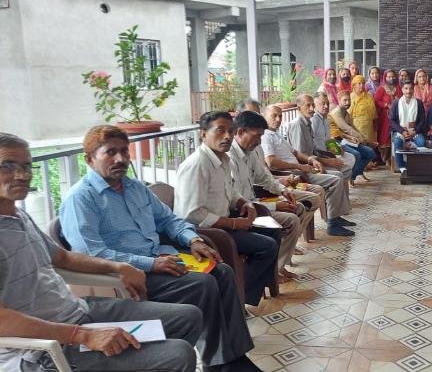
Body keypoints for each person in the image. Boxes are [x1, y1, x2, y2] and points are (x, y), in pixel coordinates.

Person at [59, 126, 258, 372]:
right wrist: (151, 264)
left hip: (161, 259)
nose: (120, 159)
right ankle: (220, 363)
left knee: (222, 272)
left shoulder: (134, 187)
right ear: (90, 159)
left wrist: (192, 240)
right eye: (110, 152)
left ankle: (229, 359)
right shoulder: (81, 198)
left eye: (124, 151)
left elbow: (168, 220)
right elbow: (90, 253)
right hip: (128, 275)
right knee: (203, 284)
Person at [0, 132, 202, 372]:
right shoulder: (81, 196)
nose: (22, 175)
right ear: (90, 159)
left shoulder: (18, 215)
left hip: (77, 310)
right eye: (7, 166)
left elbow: (62, 257)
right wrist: (82, 335)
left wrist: (120, 267)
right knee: (178, 354)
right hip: (40, 348)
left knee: (188, 317)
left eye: (26, 166)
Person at [174, 111, 279, 307]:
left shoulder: (223, 160)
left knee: (273, 231)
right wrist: (233, 223)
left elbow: (230, 193)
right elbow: (191, 214)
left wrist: (244, 203)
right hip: (205, 232)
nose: (228, 136)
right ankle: (238, 299)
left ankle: (246, 291)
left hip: (224, 222)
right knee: (266, 246)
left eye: (231, 131)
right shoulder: (197, 165)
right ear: (203, 134)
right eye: (220, 130)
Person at [228, 113, 306, 284]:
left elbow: (264, 177)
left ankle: (279, 266)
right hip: (242, 212)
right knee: (291, 220)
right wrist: (275, 207)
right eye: (256, 136)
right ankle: (273, 271)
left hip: (255, 203)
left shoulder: (250, 151)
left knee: (298, 207)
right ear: (240, 132)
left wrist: (283, 191)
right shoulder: (229, 158)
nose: (259, 142)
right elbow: (235, 201)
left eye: (261, 137)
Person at [261, 105, 355, 237]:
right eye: (274, 116)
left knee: (339, 174)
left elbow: (296, 152)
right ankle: (332, 223)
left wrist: (310, 159)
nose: (278, 119)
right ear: (264, 117)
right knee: (336, 180)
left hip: (301, 169)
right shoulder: (265, 136)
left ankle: (335, 217)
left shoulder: (276, 134)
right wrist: (300, 167)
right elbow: (271, 162)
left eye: (280, 116)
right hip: (294, 175)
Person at [288, 94, 354, 183]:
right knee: (338, 175)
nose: (312, 109)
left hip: (317, 158)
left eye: (313, 105)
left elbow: (317, 147)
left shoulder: (308, 122)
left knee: (346, 169)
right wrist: (325, 161)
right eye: (308, 105)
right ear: (299, 108)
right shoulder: (298, 125)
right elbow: (300, 156)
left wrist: (331, 154)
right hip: (306, 166)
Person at [314, 93, 375, 186]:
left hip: (339, 143)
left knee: (370, 152)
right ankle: (350, 177)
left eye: (349, 100)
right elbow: (345, 130)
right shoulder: (326, 116)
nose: (326, 106)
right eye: (345, 100)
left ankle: (353, 175)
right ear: (338, 101)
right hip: (335, 145)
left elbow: (349, 129)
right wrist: (361, 139)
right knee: (356, 155)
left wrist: (359, 139)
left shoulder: (328, 118)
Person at [390, 82, 426, 172]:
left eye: (410, 88)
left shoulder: (418, 102)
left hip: (414, 131)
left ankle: (417, 165)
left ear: (413, 90)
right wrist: (402, 131)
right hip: (400, 131)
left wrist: (415, 131)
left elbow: (422, 120)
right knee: (397, 141)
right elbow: (392, 121)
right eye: (406, 88)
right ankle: (402, 167)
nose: (408, 91)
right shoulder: (396, 103)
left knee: (421, 142)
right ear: (402, 90)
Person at [349, 75, 379, 169]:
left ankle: (366, 164)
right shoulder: (351, 97)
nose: (361, 85)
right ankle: (359, 166)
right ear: (354, 85)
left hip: (368, 124)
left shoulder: (369, 96)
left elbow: (374, 111)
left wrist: (375, 123)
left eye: (363, 83)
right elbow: (348, 113)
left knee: (368, 144)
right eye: (359, 83)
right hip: (356, 124)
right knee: (359, 144)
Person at [374, 69, 400, 165]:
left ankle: (392, 159)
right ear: (385, 78)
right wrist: (386, 105)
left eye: (393, 76)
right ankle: (385, 159)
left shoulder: (398, 88)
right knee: (385, 136)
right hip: (385, 117)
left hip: (397, 115)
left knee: (394, 135)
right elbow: (376, 101)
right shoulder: (381, 89)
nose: (391, 78)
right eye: (389, 77)